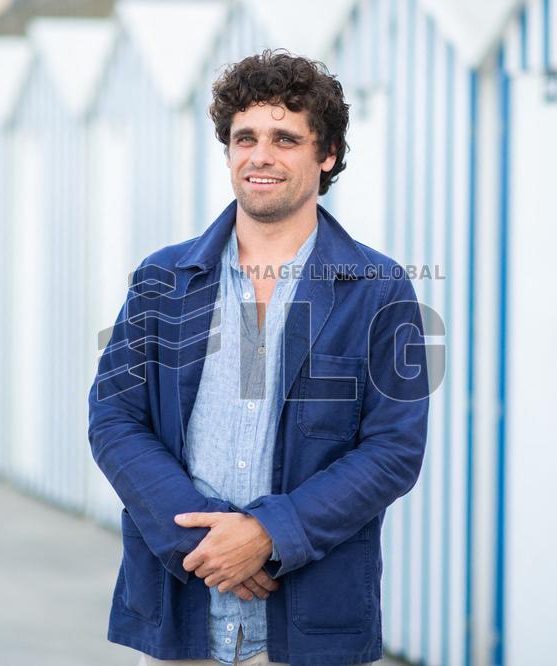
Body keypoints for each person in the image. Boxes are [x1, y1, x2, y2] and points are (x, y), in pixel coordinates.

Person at [88, 49, 430, 666]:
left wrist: (268, 536)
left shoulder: (378, 289)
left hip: (311, 623)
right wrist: (207, 545)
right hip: (182, 609)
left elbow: (393, 451)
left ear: (325, 157)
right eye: (244, 137)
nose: (260, 155)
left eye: (285, 138)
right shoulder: (164, 280)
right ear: (227, 153)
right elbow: (114, 420)